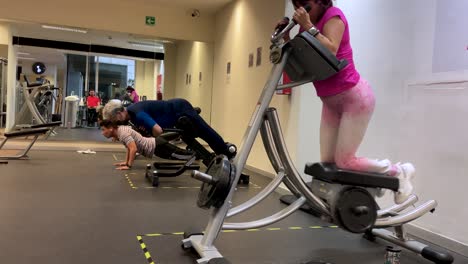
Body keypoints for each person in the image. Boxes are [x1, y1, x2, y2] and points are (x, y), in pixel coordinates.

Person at [286, 0, 414, 204]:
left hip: (355, 98)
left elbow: (331, 50)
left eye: (305, 3)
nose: (300, 8)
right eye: (297, 4)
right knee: (328, 163)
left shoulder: (333, 16)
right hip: (330, 102)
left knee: (345, 161)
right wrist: (285, 35)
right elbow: (303, 60)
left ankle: (398, 172)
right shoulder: (306, 26)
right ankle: (359, 191)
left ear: (319, 1)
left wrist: (308, 26)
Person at [102, 98, 234, 160]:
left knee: (204, 132)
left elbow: (158, 130)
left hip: (180, 109)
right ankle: (216, 155)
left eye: (115, 121)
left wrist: (149, 140)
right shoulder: (131, 114)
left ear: (119, 113)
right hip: (175, 114)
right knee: (194, 136)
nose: (116, 124)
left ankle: (226, 152)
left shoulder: (137, 113)